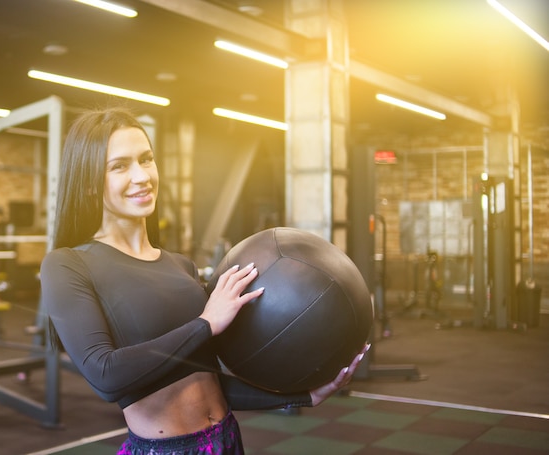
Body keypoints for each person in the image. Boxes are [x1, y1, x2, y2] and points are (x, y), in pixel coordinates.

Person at [40, 106, 369, 455]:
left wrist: (304, 396)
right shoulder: (68, 265)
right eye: (119, 166)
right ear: (89, 183)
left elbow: (208, 386)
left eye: (146, 159)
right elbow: (105, 377)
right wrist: (206, 323)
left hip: (226, 440)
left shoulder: (181, 266)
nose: (141, 176)